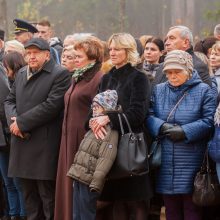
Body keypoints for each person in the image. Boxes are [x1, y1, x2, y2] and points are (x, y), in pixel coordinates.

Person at [4, 38, 71, 220]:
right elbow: (9, 100)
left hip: (44, 144)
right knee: (29, 197)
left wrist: (21, 123)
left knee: (47, 197)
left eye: (36, 53)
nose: (31, 57)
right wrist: (14, 121)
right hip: (21, 141)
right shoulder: (22, 73)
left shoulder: (60, 74)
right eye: (29, 53)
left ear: (47, 55)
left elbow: (52, 106)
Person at [146, 50, 216, 220]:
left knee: (192, 209)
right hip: (166, 158)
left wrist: (185, 131)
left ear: (189, 70)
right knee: (171, 209)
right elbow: (148, 114)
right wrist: (161, 126)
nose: (172, 76)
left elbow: (209, 121)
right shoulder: (159, 89)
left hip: (192, 157)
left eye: (177, 72)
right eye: (169, 72)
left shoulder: (204, 91)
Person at [93, 33, 152, 220]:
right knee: (116, 199)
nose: (112, 52)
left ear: (128, 51)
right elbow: (95, 109)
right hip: (109, 145)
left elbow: (137, 114)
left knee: (135, 201)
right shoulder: (106, 77)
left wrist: (108, 118)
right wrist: (93, 120)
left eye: (117, 49)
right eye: (110, 49)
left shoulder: (138, 77)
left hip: (131, 145)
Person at [54, 36, 104, 220]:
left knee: (81, 194)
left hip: (84, 141)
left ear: (92, 57)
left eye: (78, 56)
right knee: (67, 188)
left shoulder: (98, 78)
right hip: (67, 138)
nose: (74, 59)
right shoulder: (77, 76)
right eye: (73, 56)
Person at [67, 90, 119, 220]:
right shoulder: (94, 126)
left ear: (107, 107)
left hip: (89, 181)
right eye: (93, 106)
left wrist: (96, 183)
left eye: (98, 106)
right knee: (76, 214)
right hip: (80, 176)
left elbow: (106, 158)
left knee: (86, 215)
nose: (94, 109)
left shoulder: (110, 130)